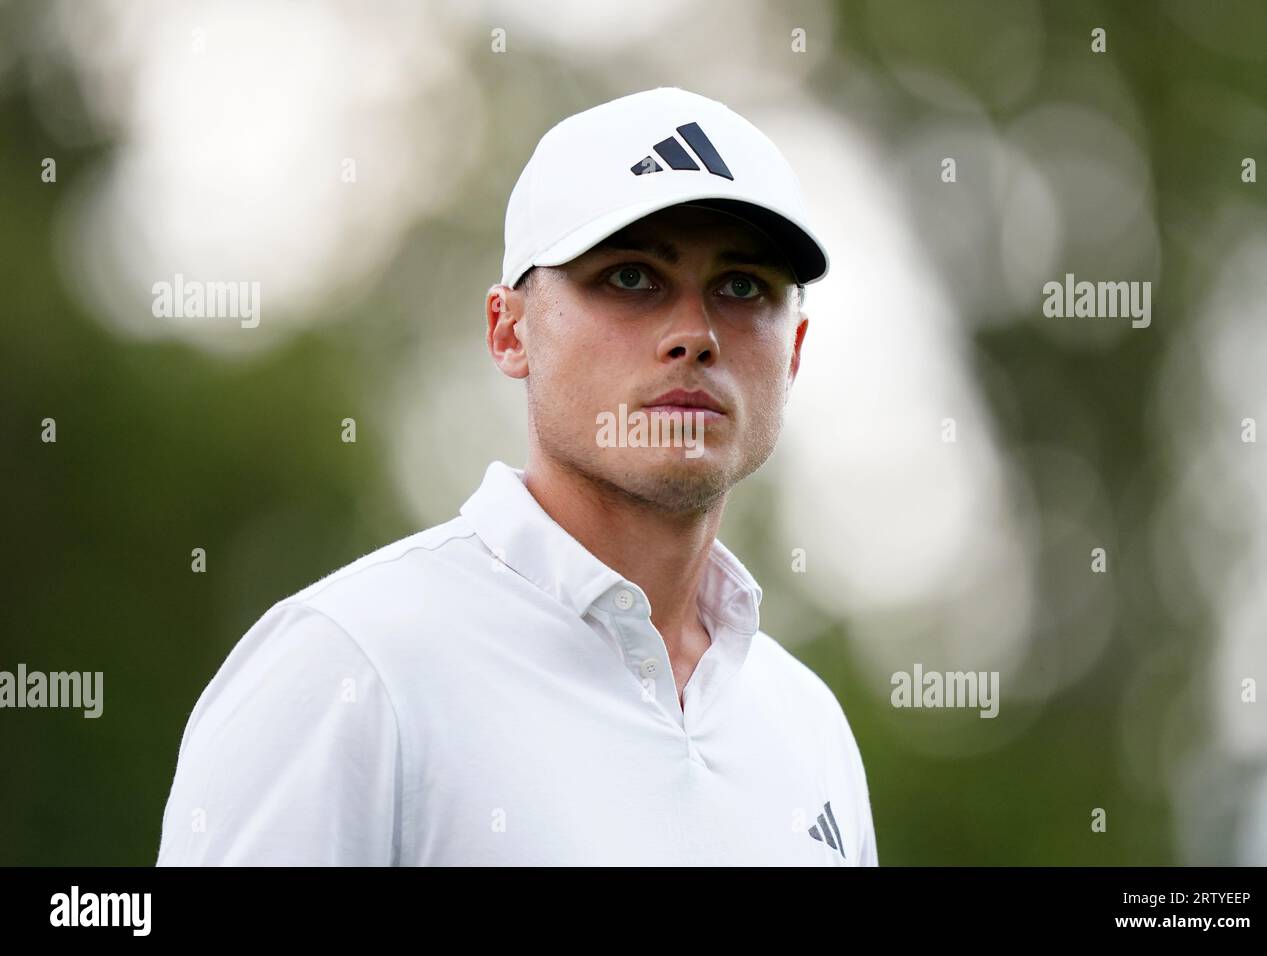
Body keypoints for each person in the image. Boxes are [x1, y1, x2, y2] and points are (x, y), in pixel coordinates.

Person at [157, 86, 878, 866]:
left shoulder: (807, 724)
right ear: (509, 330)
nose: (693, 335)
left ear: (795, 349)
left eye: (742, 287)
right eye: (632, 278)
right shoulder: (351, 666)